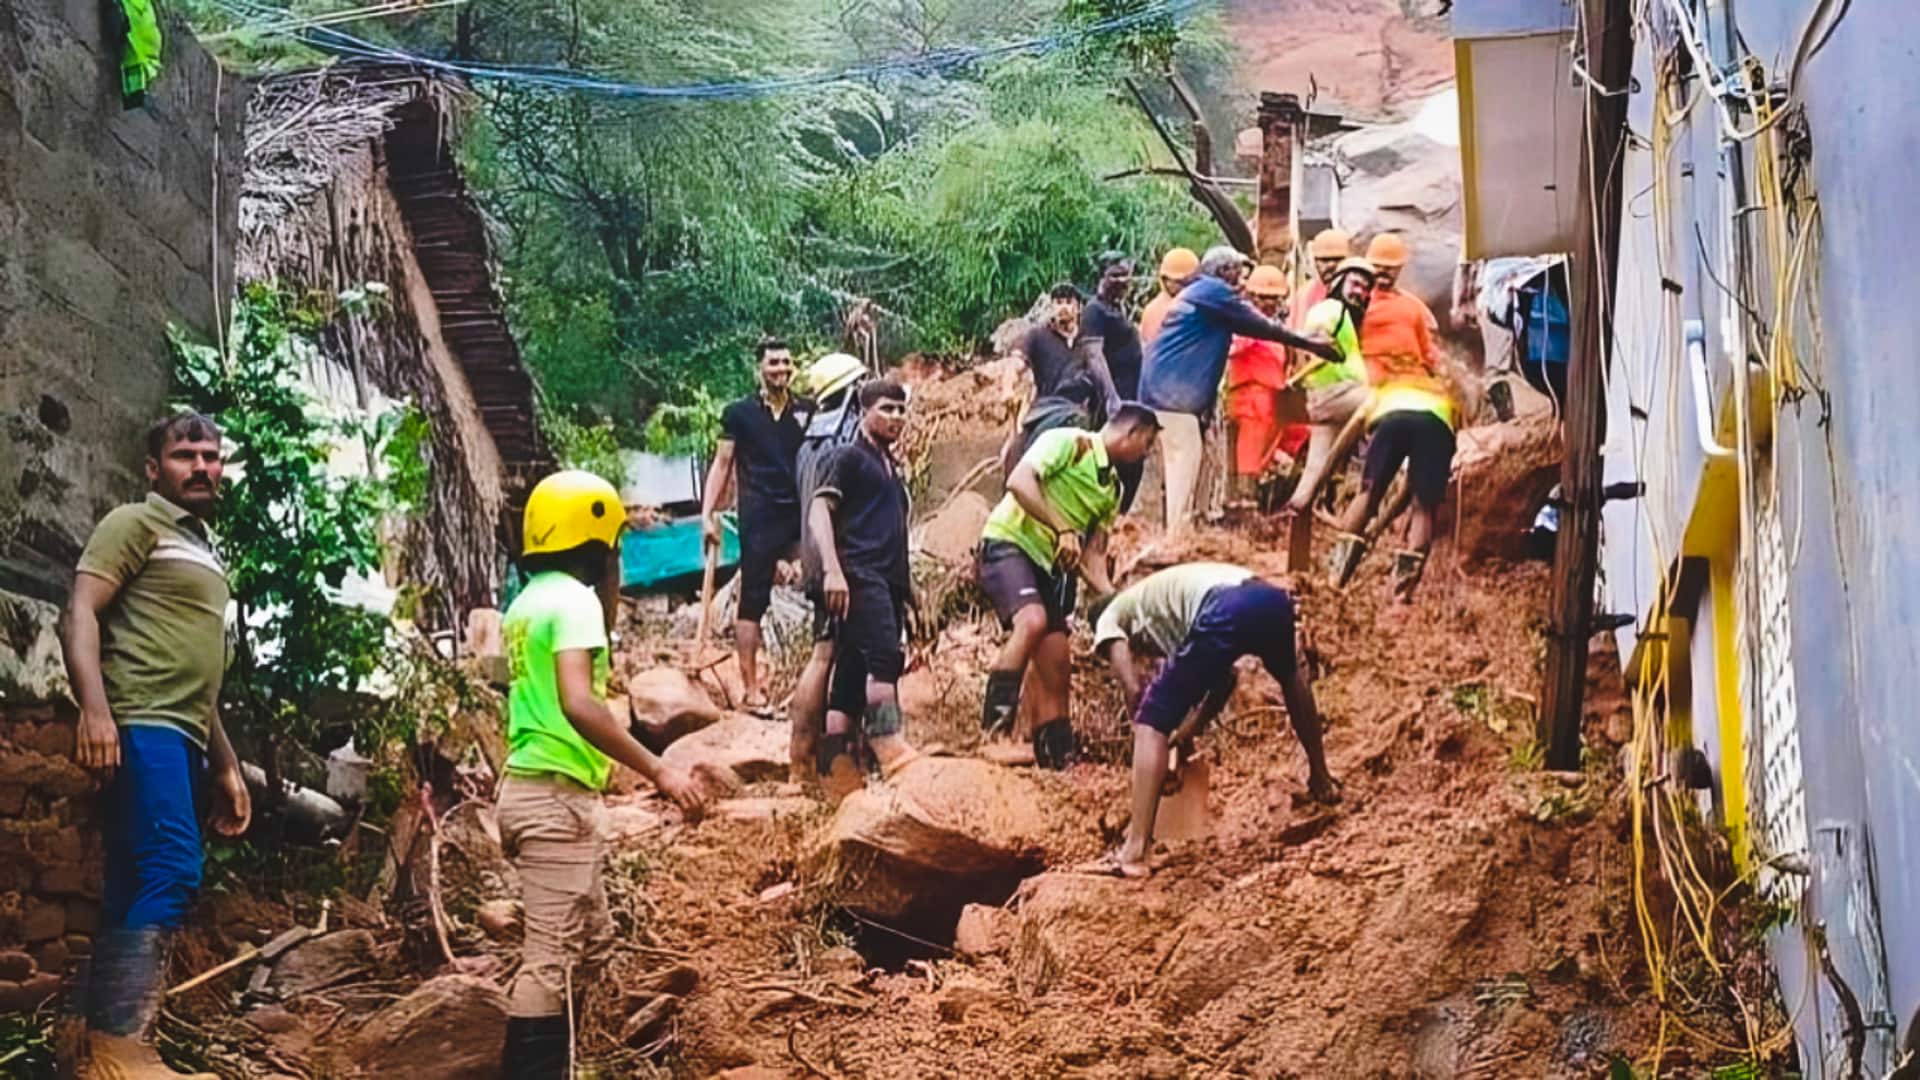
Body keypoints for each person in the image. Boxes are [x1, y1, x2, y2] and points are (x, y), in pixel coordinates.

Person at [498, 470, 707, 1077]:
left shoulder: (529, 600)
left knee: (590, 941)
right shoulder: (576, 600)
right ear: (597, 540)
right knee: (550, 960)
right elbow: (578, 701)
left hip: (529, 791)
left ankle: (571, 1062)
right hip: (554, 796)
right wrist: (658, 770)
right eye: (614, 542)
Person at [61, 413, 247, 1079]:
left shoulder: (204, 548)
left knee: (135, 877)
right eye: (184, 455)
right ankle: (121, 1049)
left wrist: (225, 764)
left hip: (182, 733)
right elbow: (80, 609)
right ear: (153, 469)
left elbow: (202, 672)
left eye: (211, 456)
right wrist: (95, 710)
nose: (201, 466)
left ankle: (84, 1042)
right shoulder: (135, 525)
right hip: (141, 723)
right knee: (174, 867)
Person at [1089, 563, 1340, 878]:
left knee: (1150, 717)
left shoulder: (1109, 616)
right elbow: (1224, 679)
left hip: (1225, 604)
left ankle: (1134, 851)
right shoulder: (1160, 609)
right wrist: (1191, 729)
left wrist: (1145, 742)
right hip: (1271, 599)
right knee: (1290, 675)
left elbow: (1134, 688)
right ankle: (1322, 780)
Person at [977, 406, 1162, 767]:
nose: (1147, 452)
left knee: (1058, 661)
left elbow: (1092, 557)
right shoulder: (1067, 442)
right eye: (1148, 442)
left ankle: (1056, 758)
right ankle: (994, 733)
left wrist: (1113, 600)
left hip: (1044, 565)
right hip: (1008, 543)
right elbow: (1019, 481)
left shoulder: (1112, 489)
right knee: (1031, 621)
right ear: (1132, 433)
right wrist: (1062, 527)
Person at [1138, 245, 1341, 537]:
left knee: (1188, 466)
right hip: (1174, 401)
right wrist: (1312, 344)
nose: (1243, 282)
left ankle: (1182, 531)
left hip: (1163, 395)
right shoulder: (1214, 293)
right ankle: (1173, 539)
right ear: (1223, 272)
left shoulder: (1196, 293)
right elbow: (1262, 327)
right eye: (1238, 274)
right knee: (1183, 467)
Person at [1328, 235, 1458, 602]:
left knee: (1369, 493)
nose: (1383, 274)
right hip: (1434, 408)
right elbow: (1432, 359)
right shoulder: (1414, 308)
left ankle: (1334, 579)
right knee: (1423, 505)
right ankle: (1401, 598)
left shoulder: (1354, 305)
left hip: (1391, 404)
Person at [810, 377, 922, 780]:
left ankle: (835, 770)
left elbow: (894, 533)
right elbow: (819, 512)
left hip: (887, 578)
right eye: (885, 409)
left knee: (852, 672)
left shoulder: (890, 467)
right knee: (884, 658)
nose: (895, 417)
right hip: (858, 572)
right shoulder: (846, 457)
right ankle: (888, 743)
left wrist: (911, 594)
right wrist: (832, 570)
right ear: (862, 413)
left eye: (900, 409)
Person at [701, 337, 814, 714]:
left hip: (801, 515)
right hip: (759, 516)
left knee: (819, 588)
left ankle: (812, 684)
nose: (780, 369)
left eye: (785, 362)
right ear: (759, 369)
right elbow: (722, 464)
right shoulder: (739, 414)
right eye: (773, 363)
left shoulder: (808, 411)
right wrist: (707, 514)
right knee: (753, 600)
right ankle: (751, 690)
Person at [787, 352, 869, 785]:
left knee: (832, 652)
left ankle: (817, 762)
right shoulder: (847, 441)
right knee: (825, 654)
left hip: (817, 559)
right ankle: (801, 765)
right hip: (840, 561)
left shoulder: (807, 443)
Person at [1284, 257, 1378, 516]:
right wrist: (1301, 376)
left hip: (1334, 398)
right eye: (1355, 284)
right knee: (1386, 405)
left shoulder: (1345, 315)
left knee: (1317, 467)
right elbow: (1316, 343)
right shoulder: (1330, 309)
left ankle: (1296, 513)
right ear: (1339, 282)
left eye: (1364, 289)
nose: (1360, 292)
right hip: (1335, 393)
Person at [1080, 253, 1149, 511]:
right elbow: (1094, 356)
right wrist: (1111, 399)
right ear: (1101, 277)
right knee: (1113, 462)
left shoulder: (1116, 309)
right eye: (1115, 275)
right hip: (1113, 403)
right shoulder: (1094, 311)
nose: (1122, 280)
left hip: (1131, 398)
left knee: (1134, 460)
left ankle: (1119, 518)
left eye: (1125, 275)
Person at [1223, 265, 1295, 493]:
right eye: (1263, 297)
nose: (1269, 303)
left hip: (1268, 401)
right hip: (1250, 401)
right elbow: (1231, 348)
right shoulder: (1248, 325)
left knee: (1256, 456)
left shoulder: (1272, 326)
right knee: (1248, 458)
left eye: (1274, 298)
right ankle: (1245, 504)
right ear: (1251, 296)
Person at [1289, 228, 1353, 329]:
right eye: (1325, 260)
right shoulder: (1304, 295)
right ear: (1315, 261)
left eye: (1337, 259)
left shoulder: (1359, 293)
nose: (1331, 265)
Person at [1139, 246, 1198, 347]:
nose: (1171, 285)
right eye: (1168, 279)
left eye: (1180, 282)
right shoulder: (1153, 310)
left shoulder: (1202, 307)